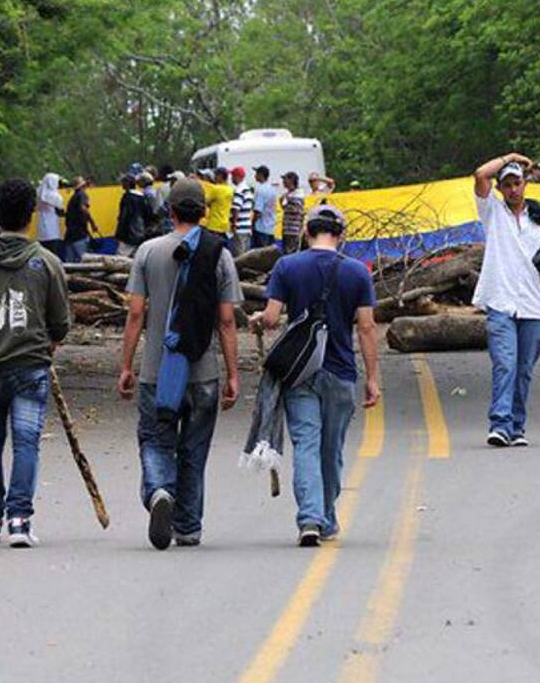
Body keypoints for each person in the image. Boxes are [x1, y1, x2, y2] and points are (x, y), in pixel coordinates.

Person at [117, 177, 242, 550]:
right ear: (204, 212)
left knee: (156, 440)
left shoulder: (147, 252)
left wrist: (126, 365)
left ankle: (158, 491)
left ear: (169, 211)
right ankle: (187, 526)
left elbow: (136, 313)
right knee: (194, 448)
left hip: (157, 370)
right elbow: (226, 320)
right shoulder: (219, 254)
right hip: (203, 372)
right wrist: (234, 374)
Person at [252, 205, 380, 546]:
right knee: (331, 449)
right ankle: (325, 515)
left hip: (300, 372)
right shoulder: (357, 272)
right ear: (340, 234)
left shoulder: (287, 266)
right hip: (340, 371)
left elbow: (272, 316)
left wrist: (257, 319)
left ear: (307, 232)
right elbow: (366, 328)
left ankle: (311, 518)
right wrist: (372, 377)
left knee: (306, 444)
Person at [0, 178, 71, 547]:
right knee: (27, 443)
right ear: (33, 214)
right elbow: (60, 322)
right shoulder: (47, 262)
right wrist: (49, 340)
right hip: (29, 366)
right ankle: (19, 519)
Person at [472, 154, 540, 447]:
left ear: (525, 184)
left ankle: (517, 427)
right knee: (504, 362)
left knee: (524, 368)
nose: (513, 190)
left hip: (532, 304)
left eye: (517, 183)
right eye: (506, 184)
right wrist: (510, 157)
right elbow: (480, 174)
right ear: (501, 188)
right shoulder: (492, 211)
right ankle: (501, 424)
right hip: (500, 300)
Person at [63, 176, 100, 263]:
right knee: (84, 261)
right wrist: (93, 223)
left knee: (70, 262)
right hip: (79, 233)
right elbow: (83, 208)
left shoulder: (73, 198)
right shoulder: (82, 194)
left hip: (70, 234)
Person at [115, 172, 152, 256]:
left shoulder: (127, 198)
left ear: (127, 184)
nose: (122, 185)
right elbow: (149, 215)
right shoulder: (142, 197)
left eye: (123, 182)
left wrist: (119, 234)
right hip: (142, 234)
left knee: (121, 258)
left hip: (128, 236)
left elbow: (124, 217)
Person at [34, 173, 67, 260]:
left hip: (41, 228)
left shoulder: (39, 193)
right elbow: (61, 211)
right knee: (53, 255)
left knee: (44, 255)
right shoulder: (55, 196)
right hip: (52, 229)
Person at [251, 165, 279, 249]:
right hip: (270, 227)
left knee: (260, 255)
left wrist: (252, 224)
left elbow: (258, 211)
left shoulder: (260, 190)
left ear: (261, 175)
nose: (255, 176)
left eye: (256, 173)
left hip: (261, 228)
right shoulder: (272, 189)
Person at [204, 166, 234, 243]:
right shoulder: (230, 190)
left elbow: (206, 201)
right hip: (225, 225)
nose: (215, 177)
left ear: (220, 176)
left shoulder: (216, 189)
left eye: (216, 175)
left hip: (214, 225)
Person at [230, 166, 254, 256]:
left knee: (238, 256)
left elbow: (236, 208)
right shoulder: (248, 190)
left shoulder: (239, 191)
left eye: (232, 176)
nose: (231, 178)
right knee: (245, 255)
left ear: (237, 177)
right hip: (247, 227)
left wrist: (234, 224)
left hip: (239, 228)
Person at [280, 171, 305, 254]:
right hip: (287, 229)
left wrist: (287, 199)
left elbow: (296, 210)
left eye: (285, 179)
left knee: (291, 252)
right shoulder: (288, 194)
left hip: (293, 230)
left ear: (291, 181)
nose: (283, 182)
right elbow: (285, 208)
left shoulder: (298, 194)